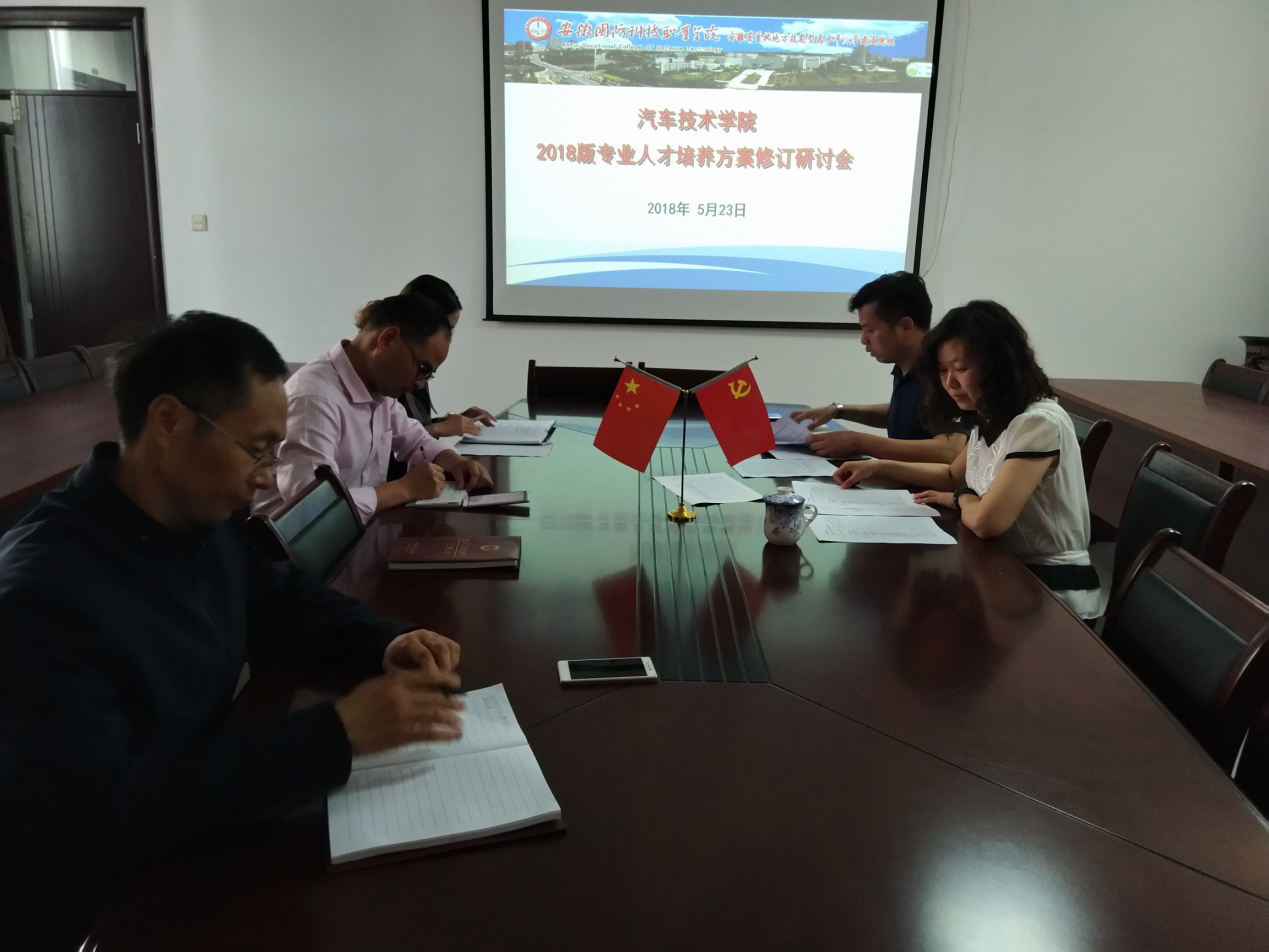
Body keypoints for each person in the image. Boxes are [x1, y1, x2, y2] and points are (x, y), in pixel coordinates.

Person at [0, 313, 465, 950]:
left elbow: (280, 599)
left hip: (200, 843)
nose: (268, 477)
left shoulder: (192, 516)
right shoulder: (44, 597)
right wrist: (334, 734)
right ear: (169, 422)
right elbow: (96, 818)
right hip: (107, 911)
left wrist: (385, 639)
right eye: (256, 450)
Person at [832, 300, 1105, 620]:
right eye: (943, 370)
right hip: (1001, 574)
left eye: (961, 369)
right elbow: (952, 474)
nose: (949, 383)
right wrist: (879, 466)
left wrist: (961, 497)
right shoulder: (988, 414)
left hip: (1051, 594)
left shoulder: (1037, 422)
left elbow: (987, 521)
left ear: (998, 366)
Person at [253, 293, 492, 522]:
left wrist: (452, 460)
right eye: (422, 368)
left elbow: (415, 439)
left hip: (358, 532)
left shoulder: (378, 389)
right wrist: (404, 488)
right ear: (387, 339)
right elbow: (312, 507)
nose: (420, 383)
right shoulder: (315, 398)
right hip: (301, 546)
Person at [790, 271, 964, 463]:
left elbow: (949, 450)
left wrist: (859, 442)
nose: (864, 340)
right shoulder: (906, 369)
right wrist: (839, 410)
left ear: (905, 326)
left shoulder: (943, 375)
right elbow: (905, 415)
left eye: (870, 330)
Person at [398, 273, 496, 438]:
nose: (448, 338)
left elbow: (410, 427)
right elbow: (390, 444)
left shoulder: (418, 363)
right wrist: (439, 428)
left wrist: (449, 422)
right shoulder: (393, 372)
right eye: (446, 329)